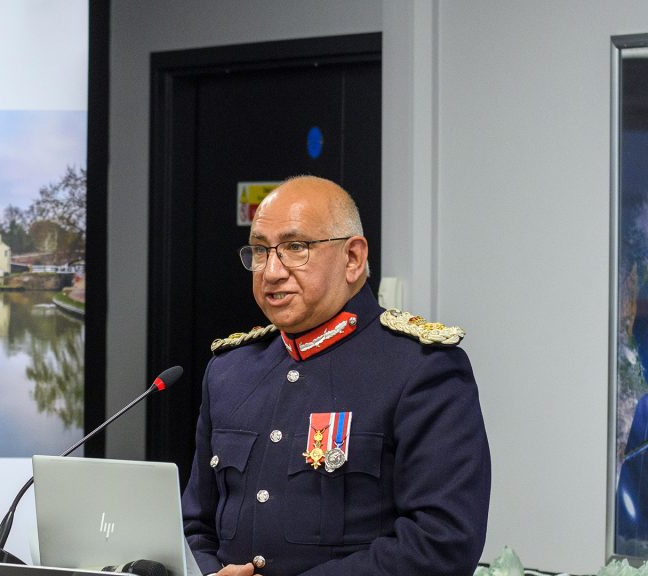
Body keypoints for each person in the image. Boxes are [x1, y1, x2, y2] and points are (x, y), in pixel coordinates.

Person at [181, 176, 491, 576]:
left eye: (295, 247)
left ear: (353, 258)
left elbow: (442, 542)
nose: (271, 271)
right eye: (260, 250)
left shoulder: (420, 368)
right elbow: (194, 526)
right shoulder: (230, 371)